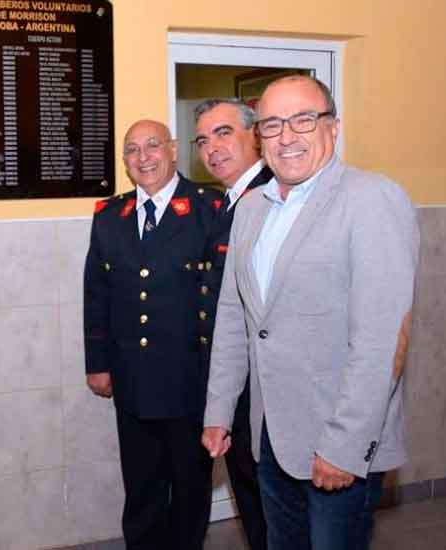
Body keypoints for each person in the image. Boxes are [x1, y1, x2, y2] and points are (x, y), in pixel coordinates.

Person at [202, 76, 419, 550]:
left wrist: (344, 446)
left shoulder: (371, 200)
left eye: (303, 119)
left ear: (333, 128)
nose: (287, 136)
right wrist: (219, 409)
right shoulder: (251, 208)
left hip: (337, 445)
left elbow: (383, 341)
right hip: (271, 441)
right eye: (273, 124)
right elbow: (235, 319)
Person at [84, 119, 217, 549]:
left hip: (190, 382)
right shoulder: (109, 215)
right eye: (132, 150)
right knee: (141, 491)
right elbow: (96, 293)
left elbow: (220, 301)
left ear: (174, 150)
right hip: (133, 381)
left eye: (152, 146)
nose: (143, 158)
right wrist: (98, 363)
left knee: (190, 490)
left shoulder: (207, 209)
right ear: (124, 161)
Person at [193, 98, 271, 550]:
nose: (213, 148)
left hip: (262, 388)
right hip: (236, 385)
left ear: (254, 136)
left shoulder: (269, 195)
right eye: (203, 139)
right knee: (254, 503)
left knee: (271, 508)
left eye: (224, 133)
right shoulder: (230, 200)